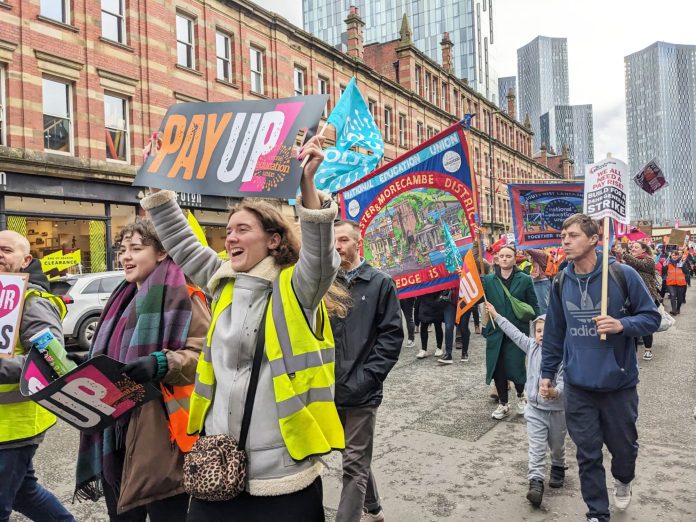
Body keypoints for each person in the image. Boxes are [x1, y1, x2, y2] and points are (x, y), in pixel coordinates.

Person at [142, 136, 344, 522]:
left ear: (273, 240)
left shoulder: (296, 288)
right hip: (218, 467)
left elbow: (320, 258)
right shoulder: (222, 281)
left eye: (242, 230)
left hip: (283, 478)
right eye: (228, 230)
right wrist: (157, 183)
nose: (230, 237)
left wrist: (308, 187)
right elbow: (182, 242)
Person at [74, 220, 211, 521]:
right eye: (123, 250)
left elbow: (206, 356)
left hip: (162, 435)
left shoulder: (186, 295)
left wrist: (162, 364)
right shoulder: (119, 299)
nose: (126, 257)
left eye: (136, 249)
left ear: (162, 253)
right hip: (115, 428)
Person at [541, 214, 660, 522]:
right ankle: (597, 513)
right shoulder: (561, 281)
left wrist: (622, 323)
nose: (565, 240)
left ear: (594, 239)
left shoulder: (622, 275)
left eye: (574, 235)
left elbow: (652, 318)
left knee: (623, 450)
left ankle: (623, 479)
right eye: (563, 234)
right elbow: (554, 331)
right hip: (579, 385)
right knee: (588, 454)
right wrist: (547, 373)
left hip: (618, 385)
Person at [0, 231, 76, 522]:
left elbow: (52, 362)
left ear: (26, 260)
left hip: (16, 426)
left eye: (6, 250)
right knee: (23, 493)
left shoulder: (33, 302)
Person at [331, 220, 403, 522]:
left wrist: (367, 378)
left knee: (353, 465)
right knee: (353, 455)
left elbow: (391, 336)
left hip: (362, 391)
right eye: (334, 241)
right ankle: (373, 507)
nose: (337, 247)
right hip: (328, 387)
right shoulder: (325, 282)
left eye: (344, 240)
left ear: (358, 244)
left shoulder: (380, 283)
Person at [485, 305, 566, 508]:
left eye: (547, 332)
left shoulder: (563, 355)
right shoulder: (530, 346)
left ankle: (557, 465)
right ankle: (536, 482)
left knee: (557, 444)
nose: (542, 335)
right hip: (535, 410)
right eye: (539, 331)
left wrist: (555, 392)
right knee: (536, 447)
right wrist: (496, 315)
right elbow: (513, 332)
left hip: (557, 411)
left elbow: (566, 382)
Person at [483, 244, 539, 419]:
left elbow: (534, 305)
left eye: (508, 256)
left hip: (517, 331)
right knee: (497, 367)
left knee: (516, 366)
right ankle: (503, 403)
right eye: (502, 256)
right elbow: (476, 296)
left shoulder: (524, 279)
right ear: (497, 259)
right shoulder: (488, 280)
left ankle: (521, 397)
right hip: (496, 331)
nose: (505, 259)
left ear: (515, 259)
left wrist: (539, 326)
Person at [620, 241, 660, 360]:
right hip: (631, 296)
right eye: (632, 247)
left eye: (636, 247)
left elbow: (638, 264)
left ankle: (648, 350)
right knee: (633, 323)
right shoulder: (628, 262)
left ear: (644, 250)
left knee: (645, 321)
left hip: (647, 295)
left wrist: (624, 254)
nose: (633, 249)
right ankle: (633, 351)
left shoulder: (649, 260)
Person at [414, 289, 445, 359]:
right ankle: (424, 349)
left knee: (438, 326)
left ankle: (439, 348)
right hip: (424, 300)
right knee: (423, 326)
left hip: (436, 300)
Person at [662, 249, 688, 315]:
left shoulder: (681, 262)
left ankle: (678, 309)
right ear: (671, 255)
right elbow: (664, 272)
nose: (674, 256)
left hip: (681, 283)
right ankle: (673, 310)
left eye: (676, 255)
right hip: (671, 283)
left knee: (680, 298)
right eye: (673, 255)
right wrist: (664, 266)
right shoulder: (668, 263)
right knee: (673, 295)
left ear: (678, 256)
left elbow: (686, 272)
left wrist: (683, 265)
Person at [527, 248, 553, 314]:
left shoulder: (541, 253)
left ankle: (545, 322)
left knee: (542, 305)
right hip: (538, 281)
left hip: (541, 282)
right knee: (540, 304)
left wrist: (523, 243)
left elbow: (528, 249)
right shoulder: (540, 253)